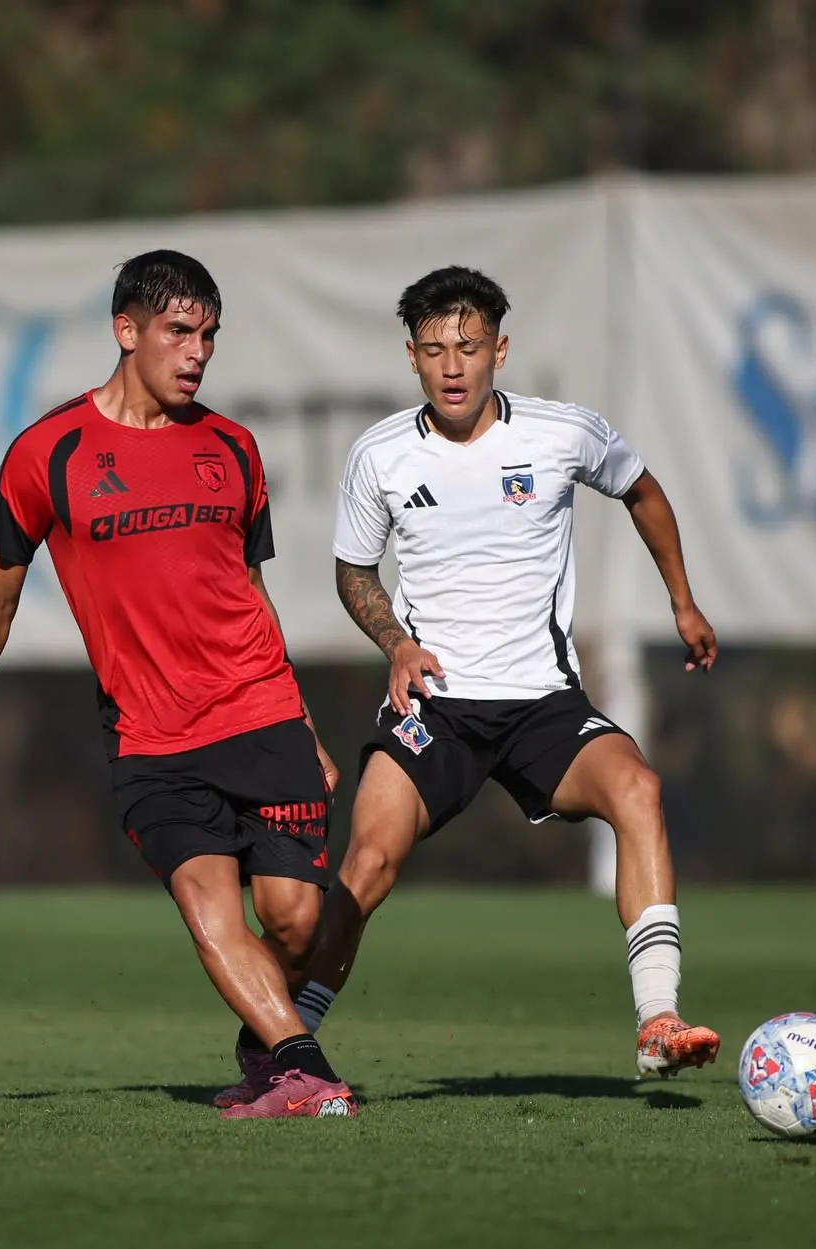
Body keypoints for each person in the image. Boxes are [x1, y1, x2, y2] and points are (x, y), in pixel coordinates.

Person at [0, 249, 358, 1119]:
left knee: (297, 922)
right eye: (178, 331)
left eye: (209, 336)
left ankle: (268, 1046)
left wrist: (304, 723)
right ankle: (305, 1071)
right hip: (151, 738)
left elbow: (251, 594)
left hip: (261, 712)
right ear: (127, 330)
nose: (197, 353)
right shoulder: (47, 454)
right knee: (208, 910)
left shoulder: (233, 448)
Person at [290, 264, 720, 1081]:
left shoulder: (562, 434)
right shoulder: (380, 454)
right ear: (411, 358)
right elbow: (354, 571)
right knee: (368, 863)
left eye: (470, 347)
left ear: (500, 350)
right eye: (434, 351)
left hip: (542, 705)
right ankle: (286, 1046)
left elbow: (643, 491)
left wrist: (683, 603)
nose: (453, 367)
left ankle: (658, 1020)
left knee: (639, 790)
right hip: (436, 705)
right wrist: (396, 643)